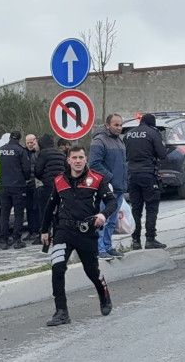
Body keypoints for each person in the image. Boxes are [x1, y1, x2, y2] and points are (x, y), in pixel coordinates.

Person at [40, 146, 116, 327]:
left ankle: (104, 296)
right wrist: (44, 231)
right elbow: (50, 207)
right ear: (68, 160)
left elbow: (112, 201)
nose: (78, 161)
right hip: (63, 231)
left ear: (85, 159)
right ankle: (61, 312)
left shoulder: (97, 179)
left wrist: (103, 215)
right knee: (57, 269)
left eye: (81, 157)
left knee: (92, 271)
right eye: (74, 157)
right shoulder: (59, 181)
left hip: (86, 231)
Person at [124, 113, 169, 250]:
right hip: (148, 174)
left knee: (136, 209)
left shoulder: (129, 134)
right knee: (151, 207)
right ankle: (150, 239)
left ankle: (135, 241)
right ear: (152, 123)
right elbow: (162, 154)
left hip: (132, 174)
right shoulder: (153, 133)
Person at [90, 114, 129, 259]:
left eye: (120, 125)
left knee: (112, 220)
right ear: (107, 125)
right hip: (107, 188)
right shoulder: (99, 141)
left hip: (119, 188)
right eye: (116, 125)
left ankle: (107, 246)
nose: (119, 128)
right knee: (102, 219)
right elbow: (94, 164)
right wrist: (110, 178)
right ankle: (100, 249)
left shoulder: (119, 140)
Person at [0, 131, 33, 249]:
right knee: (18, 214)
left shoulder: (1, 150)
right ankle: (17, 240)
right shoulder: (20, 150)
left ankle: (3, 240)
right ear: (19, 139)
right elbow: (27, 169)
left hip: (4, 186)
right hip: (18, 186)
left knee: (4, 214)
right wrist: (26, 178)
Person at [33, 134, 66, 231]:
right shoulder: (60, 153)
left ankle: (45, 232)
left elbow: (38, 171)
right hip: (61, 185)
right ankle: (58, 231)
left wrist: (43, 179)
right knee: (60, 210)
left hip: (48, 186)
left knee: (46, 210)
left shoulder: (43, 153)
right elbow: (67, 168)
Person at [23, 133, 42, 243]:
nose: (30, 144)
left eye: (32, 142)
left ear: (36, 140)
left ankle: (39, 231)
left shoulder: (39, 152)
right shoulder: (23, 152)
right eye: (28, 143)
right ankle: (31, 231)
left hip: (38, 183)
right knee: (29, 208)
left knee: (37, 208)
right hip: (27, 183)